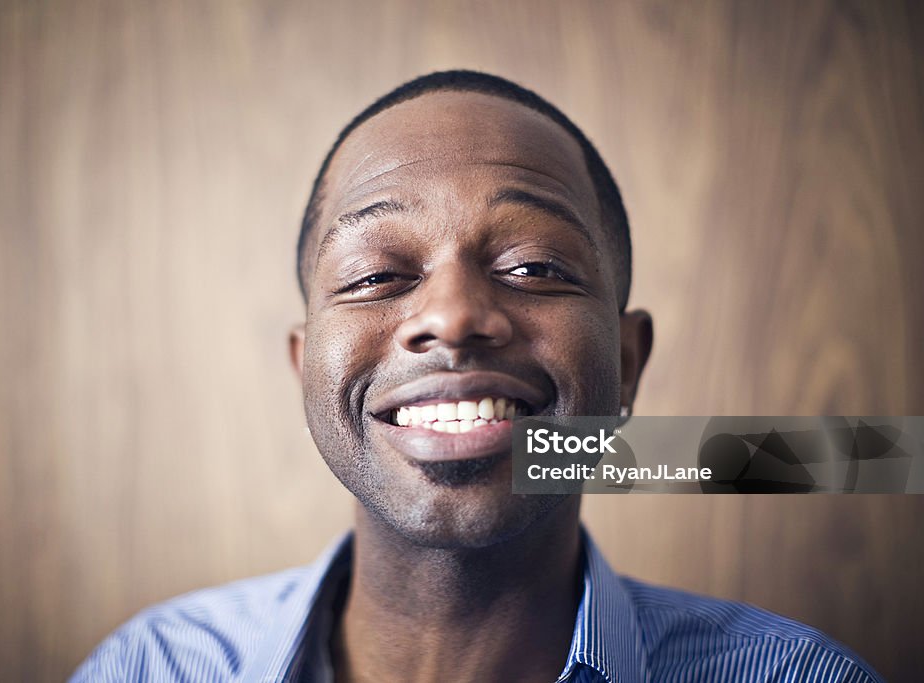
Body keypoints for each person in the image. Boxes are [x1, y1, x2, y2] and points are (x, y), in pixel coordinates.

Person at [71, 71, 882, 683]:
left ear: (627, 363)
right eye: (376, 275)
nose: (453, 317)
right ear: (302, 368)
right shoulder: (151, 664)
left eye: (533, 265)